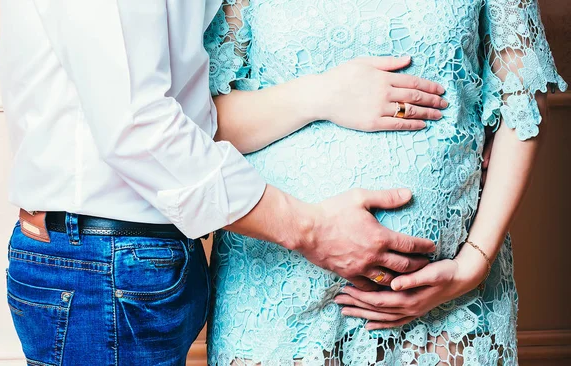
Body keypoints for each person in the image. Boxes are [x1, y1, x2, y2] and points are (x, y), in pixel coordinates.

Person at [0, 1, 445, 365]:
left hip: (139, 259)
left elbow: (192, 117)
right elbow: (136, 127)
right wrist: (312, 230)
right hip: (103, 263)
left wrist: (322, 95)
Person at [204, 0, 567, 364]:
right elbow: (204, 121)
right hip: (277, 290)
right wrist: (323, 95)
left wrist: (471, 265)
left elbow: (522, 104)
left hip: (447, 304)